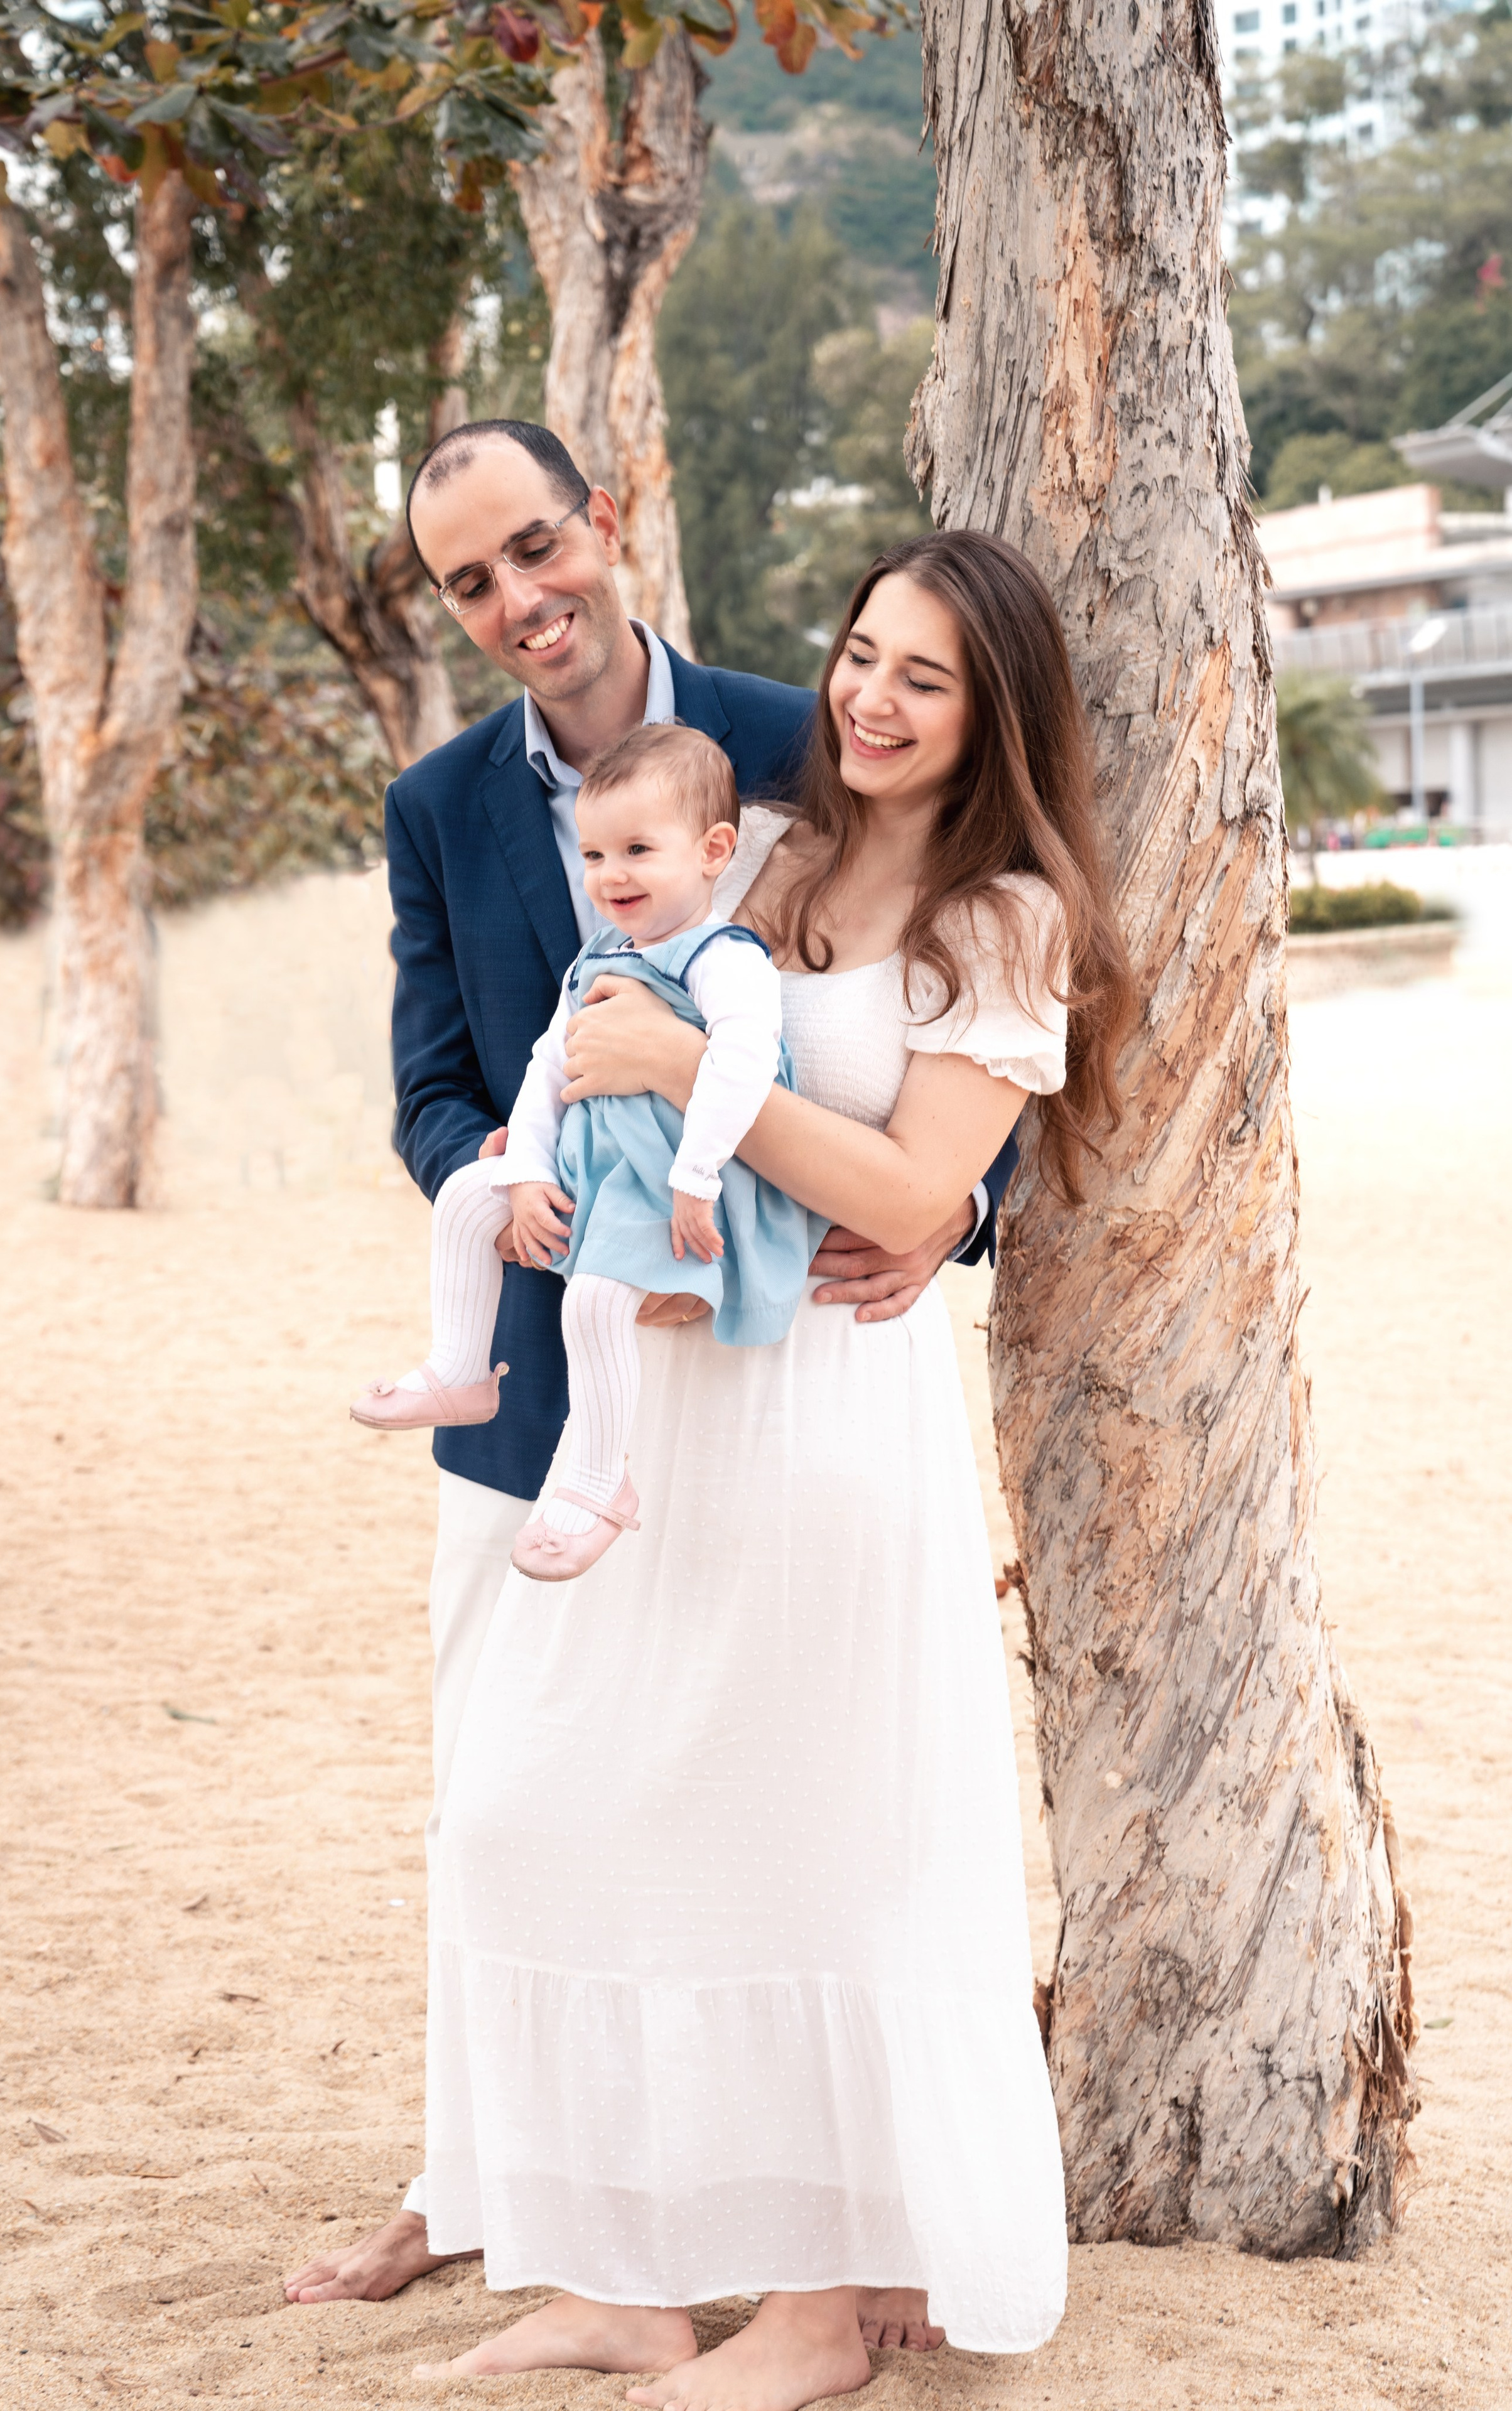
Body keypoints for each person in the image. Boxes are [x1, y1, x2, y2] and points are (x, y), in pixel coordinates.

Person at [284, 421, 1018, 2353]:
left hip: (786, 1366)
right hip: (550, 1386)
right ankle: (522, 2208)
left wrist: (954, 1219)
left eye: (538, 546)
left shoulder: (809, 741)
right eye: (470, 580)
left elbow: (935, 1019)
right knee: (515, 1807)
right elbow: (434, 1076)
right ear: (445, 607)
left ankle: (798, 2252)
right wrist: (491, 1194)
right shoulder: (439, 803)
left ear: (602, 522)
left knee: (768, 1817)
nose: (522, 598)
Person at [393, 527, 1135, 2406]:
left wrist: (676, 1073)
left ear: (994, 719)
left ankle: (814, 2316)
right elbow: (650, 1074)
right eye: (863, 656)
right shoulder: (778, 850)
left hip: (828, 1430)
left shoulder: (1006, 919)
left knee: (814, 1850)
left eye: (926, 678)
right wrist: (591, 1188)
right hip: (677, 1404)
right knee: (536, 1803)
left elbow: (915, 1193)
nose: (873, 699)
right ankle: (617, 2277)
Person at [350, 720, 821, 1585]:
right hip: (598, 1157)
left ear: (715, 849)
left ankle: (602, 1480)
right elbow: (547, 1065)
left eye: (638, 850)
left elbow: (746, 1066)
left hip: (687, 1172)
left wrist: (694, 1177)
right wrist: (526, 1172)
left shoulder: (725, 958)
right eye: (595, 854)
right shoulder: (600, 953)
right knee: (468, 1197)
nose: (612, 876)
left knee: (596, 1300)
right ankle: (461, 1369)